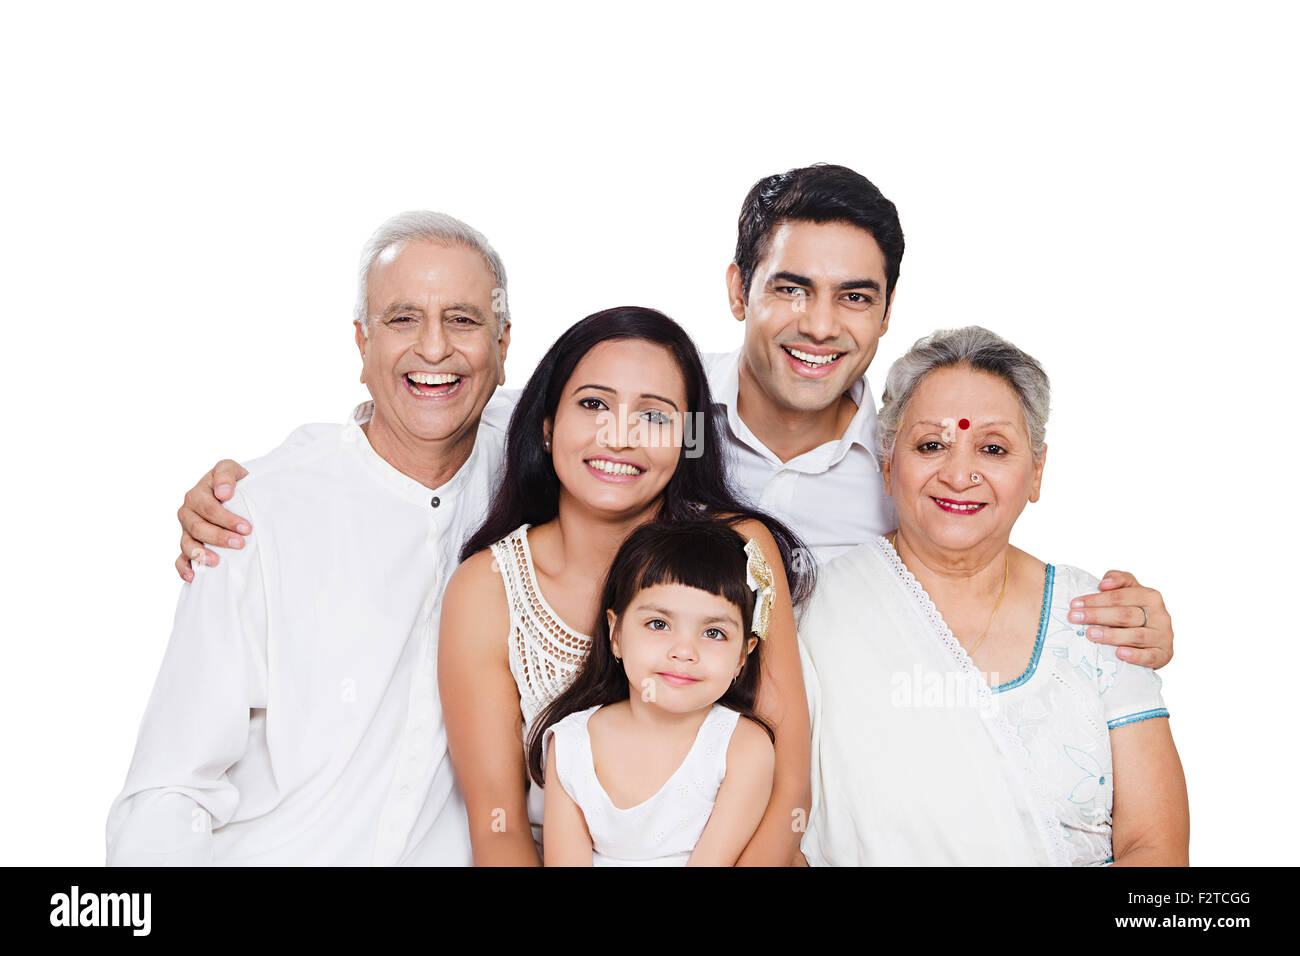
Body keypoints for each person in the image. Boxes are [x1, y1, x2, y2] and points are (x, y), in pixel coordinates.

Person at [173, 164, 1175, 671]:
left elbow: (978, 558)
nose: (818, 326)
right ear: (738, 288)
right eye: (790, 287)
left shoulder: (910, 457)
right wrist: (266, 481)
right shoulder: (649, 401)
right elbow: (450, 404)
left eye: (854, 296)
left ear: (884, 311)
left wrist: (1122, 625)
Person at [105, 211, 512, 864]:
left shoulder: (547, 465)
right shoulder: (258, 515)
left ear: (504, 342)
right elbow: (169, 789)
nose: (434, 348)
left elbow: (655, 391)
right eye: (403, 319)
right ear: (361, 343)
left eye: (463, 320)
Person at [798, 326, 1189, 866]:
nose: (959, 474)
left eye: (993, 448)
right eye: (931, 445)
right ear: (887, 463)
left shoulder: (1102, 617)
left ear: (1037, 471)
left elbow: (1156, 846)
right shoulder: (817, 613)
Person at [439, 306, 812, 865]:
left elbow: (790, 794)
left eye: (655, 416)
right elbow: (498, 827)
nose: (619, 436)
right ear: (546, 424)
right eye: (593, 405)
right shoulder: (487, 587)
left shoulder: (740, 552)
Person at [526, 521, 777, 866]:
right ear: (615, 632)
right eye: (659, 624)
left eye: (714, 632)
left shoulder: (743, 748)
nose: (684, 651)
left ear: (742, 656)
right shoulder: (572, 743)